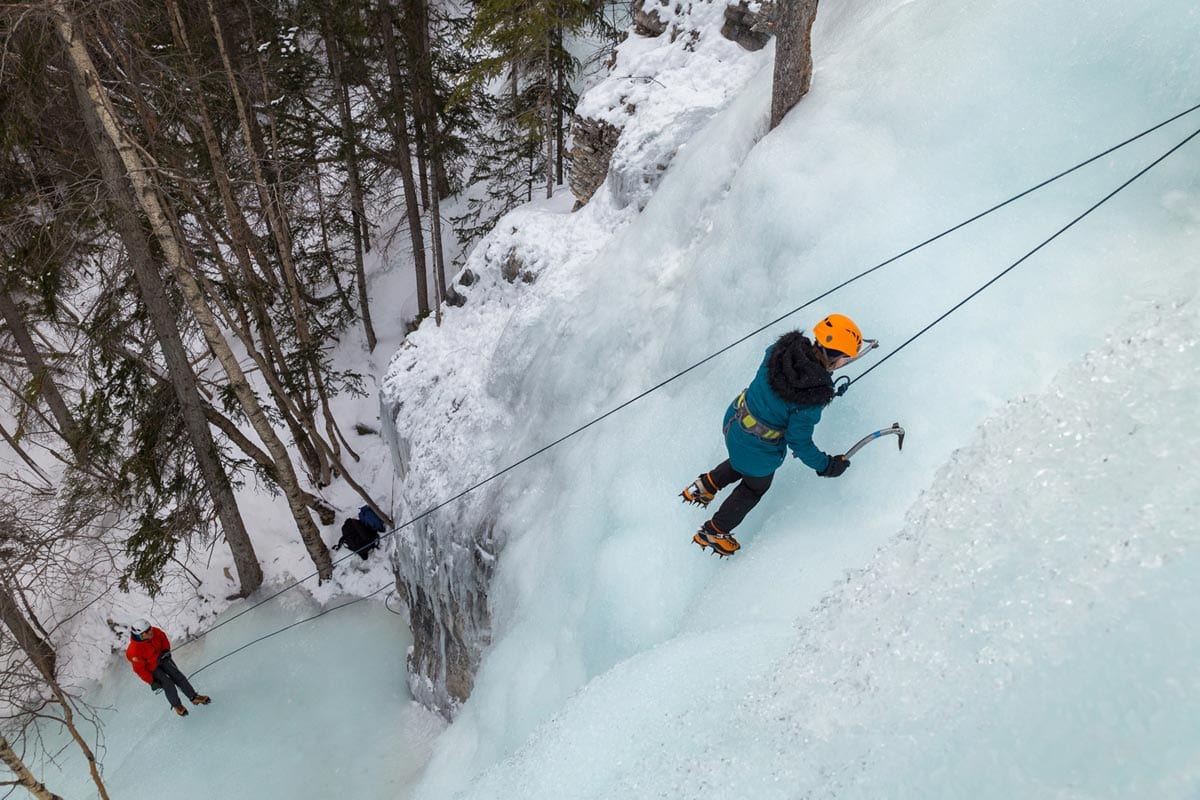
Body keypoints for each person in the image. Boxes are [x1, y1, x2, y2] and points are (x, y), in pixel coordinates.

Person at [680, 313, 863, 556]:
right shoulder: (809, 400)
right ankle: (714, 531)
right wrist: (826, 465)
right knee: (754, 487)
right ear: (836, 357)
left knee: (743, 459)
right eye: (845, 359)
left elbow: (793, 376)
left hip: (735, 420)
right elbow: (800, 443)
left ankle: (705, 486)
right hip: (758, 447)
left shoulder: (781, 350)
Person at [126, 619, 211, 717]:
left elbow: (163, 638)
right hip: (153, 668)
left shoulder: (155, 632)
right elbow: (140, 669)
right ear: (140, 635)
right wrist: (151, 681)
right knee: (168, 685)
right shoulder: (133, 651)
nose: (150, 632)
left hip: (163, 658)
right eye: (147, 632)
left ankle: (193, 697)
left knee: (178, 676)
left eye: (150, 629)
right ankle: (177, 705)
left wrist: (166, 650)